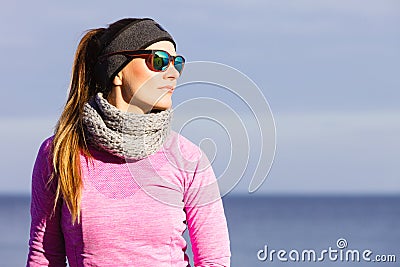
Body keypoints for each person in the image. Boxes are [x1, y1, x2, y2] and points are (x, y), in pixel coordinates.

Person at [26, 17, 231, 267]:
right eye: (159, 61)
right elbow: (44, 258)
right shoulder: (60, 153)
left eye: (177, 63)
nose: (173, 73)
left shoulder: (189, 158)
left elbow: (214, 260)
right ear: (117, 71)